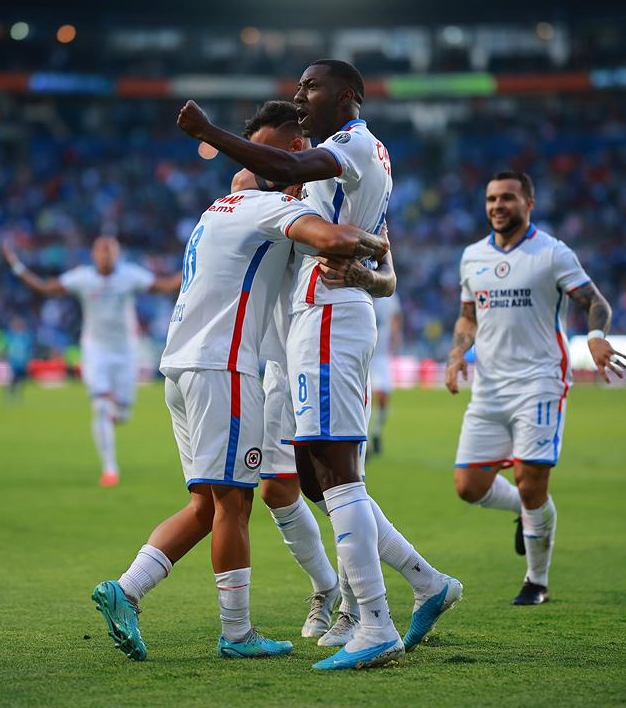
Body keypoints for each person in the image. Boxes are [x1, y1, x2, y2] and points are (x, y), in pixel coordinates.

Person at [177, 60, 461, 670]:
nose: (300, 95)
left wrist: (208, 130)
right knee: (314, 479)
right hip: (312, 327)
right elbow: (382, 263)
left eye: (312, 87)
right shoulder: (356, 160)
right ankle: (425, 584)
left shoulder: (347, 145)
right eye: (299, 88)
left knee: (336, 477)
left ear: (349, 96)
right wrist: (363, 271)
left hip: (325, 320)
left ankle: (371, 619)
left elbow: (289, 169)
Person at [91, 161, 389, 662]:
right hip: (223, 368)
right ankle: (236, 632)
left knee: (206, 505)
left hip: (181, 367)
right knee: (236, 504)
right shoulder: (268, 209)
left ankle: (127, 591)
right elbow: (332, 238)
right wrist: (378, 243)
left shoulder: (213, 213)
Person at [445, 170, 626, 606]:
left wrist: (596, 338)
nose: (497, 206)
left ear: (529, 203)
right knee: (468, 486)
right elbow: (468, 315)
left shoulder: (552, 253)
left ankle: (536, 582)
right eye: (491, 199)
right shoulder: (472, 256)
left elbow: (594, 301)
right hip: (489, 387)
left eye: (507, 198)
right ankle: (525, 514)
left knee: (531, 479)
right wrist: (456, 354)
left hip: (540, 381)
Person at [2, 237, 181, 486]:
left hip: (126, 351)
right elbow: (45, 287)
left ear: (117, 254)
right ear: (94, 254)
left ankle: (116, 411)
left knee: (122, 414)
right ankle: (110, 469)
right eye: (101, 251)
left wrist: (199, 264)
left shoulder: (130, 276)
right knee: (101, 406)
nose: (106, 255)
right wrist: (17, 266)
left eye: (110, 251)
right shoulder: (82, 278)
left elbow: (165, 285)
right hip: (95, 350)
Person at [367, 293, 403, 456]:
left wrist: (395, 338)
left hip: (381, 355)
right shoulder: (362, 291)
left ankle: (376, 432)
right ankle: (363, 441)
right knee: (366, 398)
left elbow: (395, 317)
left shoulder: (390, 297)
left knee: (383, 398)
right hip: (365, 355)